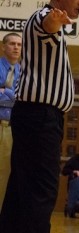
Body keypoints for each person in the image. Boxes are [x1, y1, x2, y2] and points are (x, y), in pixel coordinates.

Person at [0, 1, 79, 233]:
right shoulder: (43, 19)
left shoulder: (49, 23)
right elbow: (48, 23)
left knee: (18, 193)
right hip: (39, 118)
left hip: (34, 117)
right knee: (42, 192)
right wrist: (56, 19)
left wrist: (61, 21)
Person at [0, 32, 21, 210]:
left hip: (12, 129)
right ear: (3, 46)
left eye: (19, 45)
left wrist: (4, 91)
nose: (16, 47)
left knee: (6, 176)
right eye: (12, 44)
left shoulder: (25, 72)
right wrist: (13, 97)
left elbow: (21, 100)